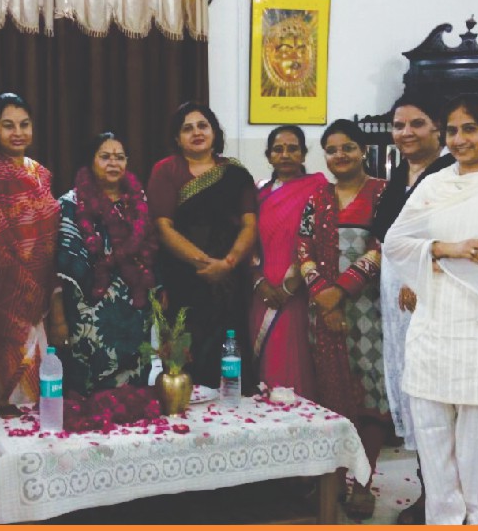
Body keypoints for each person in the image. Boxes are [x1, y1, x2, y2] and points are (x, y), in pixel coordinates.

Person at [384, 93, 478, 525]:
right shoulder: (434, 183)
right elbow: (395, 242)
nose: (460, 139)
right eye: (452, 130)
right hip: (433, 332)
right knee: (437, 459)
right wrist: (447, 249)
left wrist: (429, 262)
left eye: (471, 129)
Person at [295, 119, 387, 519]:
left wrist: (343, 290)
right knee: (332, 397)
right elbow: (303, 248)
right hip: (324, 312)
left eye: (348, 147)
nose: (340, 155)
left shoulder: (383, 193)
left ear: (363, 150)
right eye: (332, 150)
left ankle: (363, 483)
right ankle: (333, 480)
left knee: (370, 396)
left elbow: (383, 246)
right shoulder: (318, 197)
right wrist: (323, 295)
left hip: (370, 312)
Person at [369, 95, 453, 525]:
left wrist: (420, 278)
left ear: (438, 127)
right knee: (411, 391)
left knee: (435, 394)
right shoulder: (398, 177)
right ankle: (429, 491)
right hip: (396, 298)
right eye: (399, 125)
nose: (406, 133)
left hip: (433, 295)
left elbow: (453, 235)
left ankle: (445, 498)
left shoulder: (451, 174)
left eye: (416, 124)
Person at [148, 102, 258, 389]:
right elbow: (163, 227)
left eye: (202, 126)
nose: (196, 132)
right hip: (183, 280)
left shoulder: (235, 173)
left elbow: (249, 224)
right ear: (177, 138)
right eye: (187, 128)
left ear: (214, 132)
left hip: (229, 283)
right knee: (185, 358)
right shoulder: (166, 170)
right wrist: (206, 264)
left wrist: (228, 264)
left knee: (231, 355)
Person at [0, 92, 60, 405]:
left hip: (40, 301)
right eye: (8, 125)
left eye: (24, 124)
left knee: (36, 394)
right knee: (0, 395)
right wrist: (27, 289)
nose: (18, 132)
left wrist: (45, 294)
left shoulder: (41, 173)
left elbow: (52, 236)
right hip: (3, 299)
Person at [55, 132, 159, 394]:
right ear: (91, 161)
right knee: (90, 395)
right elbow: (63, 264)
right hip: (90, 310)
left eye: (119, 157)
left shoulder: (138, 201)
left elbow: (152, 248)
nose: (113, 163)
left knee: (133, 393)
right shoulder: (70, 204)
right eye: (105, 157)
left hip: (135, 308)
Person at [249, 125, 327, 400]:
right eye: (278, 149)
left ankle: (298, 417)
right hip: (261, 291)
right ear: (268, 156)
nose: (285, 155)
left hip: (300, 289)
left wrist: (289, 287)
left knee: (294, 355)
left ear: (304, 154)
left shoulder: (318, 189)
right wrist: (258, 282)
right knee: (264, 360)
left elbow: (319, 241)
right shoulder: (258, 194)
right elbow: (248, 241)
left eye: (293, 149)